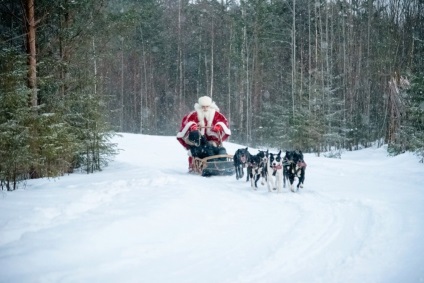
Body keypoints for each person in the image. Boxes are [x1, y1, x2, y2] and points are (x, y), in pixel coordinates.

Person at [176, 96, 231, 171]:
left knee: (215, 148)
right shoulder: (193, 115)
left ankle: (217, 164)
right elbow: (187, 123)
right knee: (197, 149)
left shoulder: (217, 115)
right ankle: (194, 165)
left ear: (210, 106)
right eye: (203, 107)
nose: (205, 109)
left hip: (212, 140)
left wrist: (219, 126)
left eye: (207, 107)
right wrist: (193, 126)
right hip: (198, 140)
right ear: (199, 106)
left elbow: (224, 122)